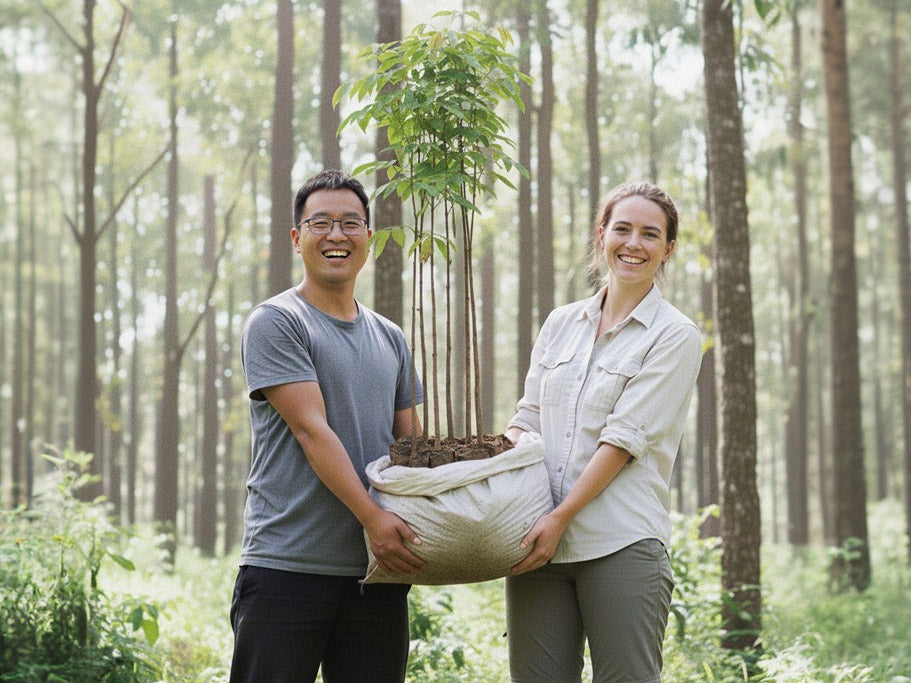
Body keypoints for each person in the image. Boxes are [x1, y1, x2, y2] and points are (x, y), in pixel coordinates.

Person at [229, 170, 425, 683]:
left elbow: (410, 448)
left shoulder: (392, 338)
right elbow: (310, 429)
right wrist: (373, 519)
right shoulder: (277, 321)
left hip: (376, 574)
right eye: (321, 223)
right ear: (297, 238)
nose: (336, 236)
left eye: (351, 223)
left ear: (369, 237)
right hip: (286, 569)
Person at [504, 181, 702, 682]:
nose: (634, 244)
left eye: (650, 234)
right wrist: (491, 490)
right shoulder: (560, 323)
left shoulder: (675, 335)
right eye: (623, 229)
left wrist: (561, 517)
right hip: (537, 544)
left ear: (668, 249)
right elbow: (527, 418)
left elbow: (623, 441)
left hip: (620, 544)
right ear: (601, 236)